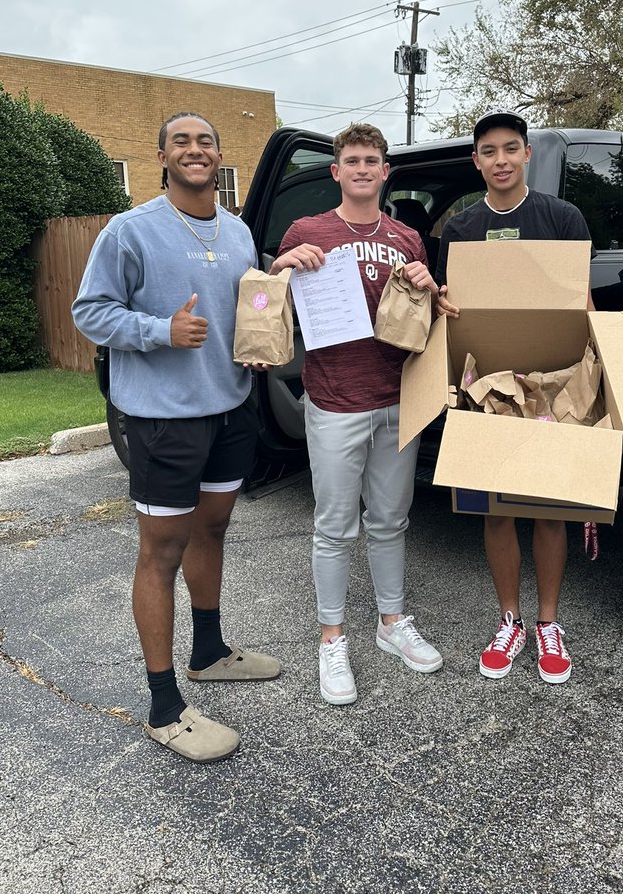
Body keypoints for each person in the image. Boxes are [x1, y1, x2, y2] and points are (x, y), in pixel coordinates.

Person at [72, 112, 280, 762]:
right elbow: (90, 312)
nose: (196, 150)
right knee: (160, 552)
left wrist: (258, 344)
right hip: (164, 417)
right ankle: (164, 706)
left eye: (206, 141)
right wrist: (161, 331)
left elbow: (249, 307)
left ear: (219, 156)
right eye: (182, 141)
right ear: (161, 155)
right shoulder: (129, 231)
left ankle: (209, 651)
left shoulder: (239, 231)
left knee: (213, 529)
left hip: (230, 410)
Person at [269, 123, 442, 706]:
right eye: (352, 160)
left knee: (392, 520)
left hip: (397, 397)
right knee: (335, 524)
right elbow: (264, 303)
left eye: (373, 160)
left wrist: (430, 283)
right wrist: (281, 266)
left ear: (385, 172)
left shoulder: (407, 237)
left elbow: (431, 317)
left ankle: (392, 623)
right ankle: (332, 637)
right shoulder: (307, 231)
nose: (363, 168)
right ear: (336, 171)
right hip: (335, 401)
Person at [435, 110, 594, 686]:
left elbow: (583, 300)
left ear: (526, 154)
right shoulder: (460, 228)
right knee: (496, 510)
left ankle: (549, 624)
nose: (500, 160)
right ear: (476, 161)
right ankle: (510, 621)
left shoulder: (561, 217)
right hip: (485, 387)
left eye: (510, 149)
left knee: (550, 513)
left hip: (552, 384)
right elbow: (447, 308)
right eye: (488, 151)